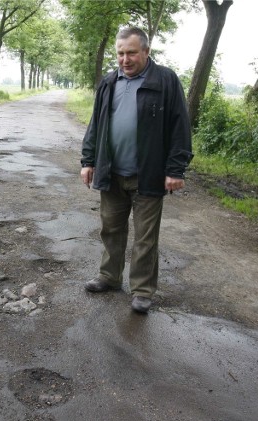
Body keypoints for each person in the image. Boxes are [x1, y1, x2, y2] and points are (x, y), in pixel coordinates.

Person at [80, 26, 193, 313]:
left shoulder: (164, 80)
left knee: (145, 237)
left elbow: (180, 126)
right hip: (112, 172)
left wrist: (176, 169)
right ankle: (109, 276)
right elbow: (97, 125)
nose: (125, 59)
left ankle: (142, 290)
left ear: (146, 51)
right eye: (120, 53)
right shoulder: (109, 83)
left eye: (131, 52)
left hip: (149, 173)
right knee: (111, 229)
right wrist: (88, 161)